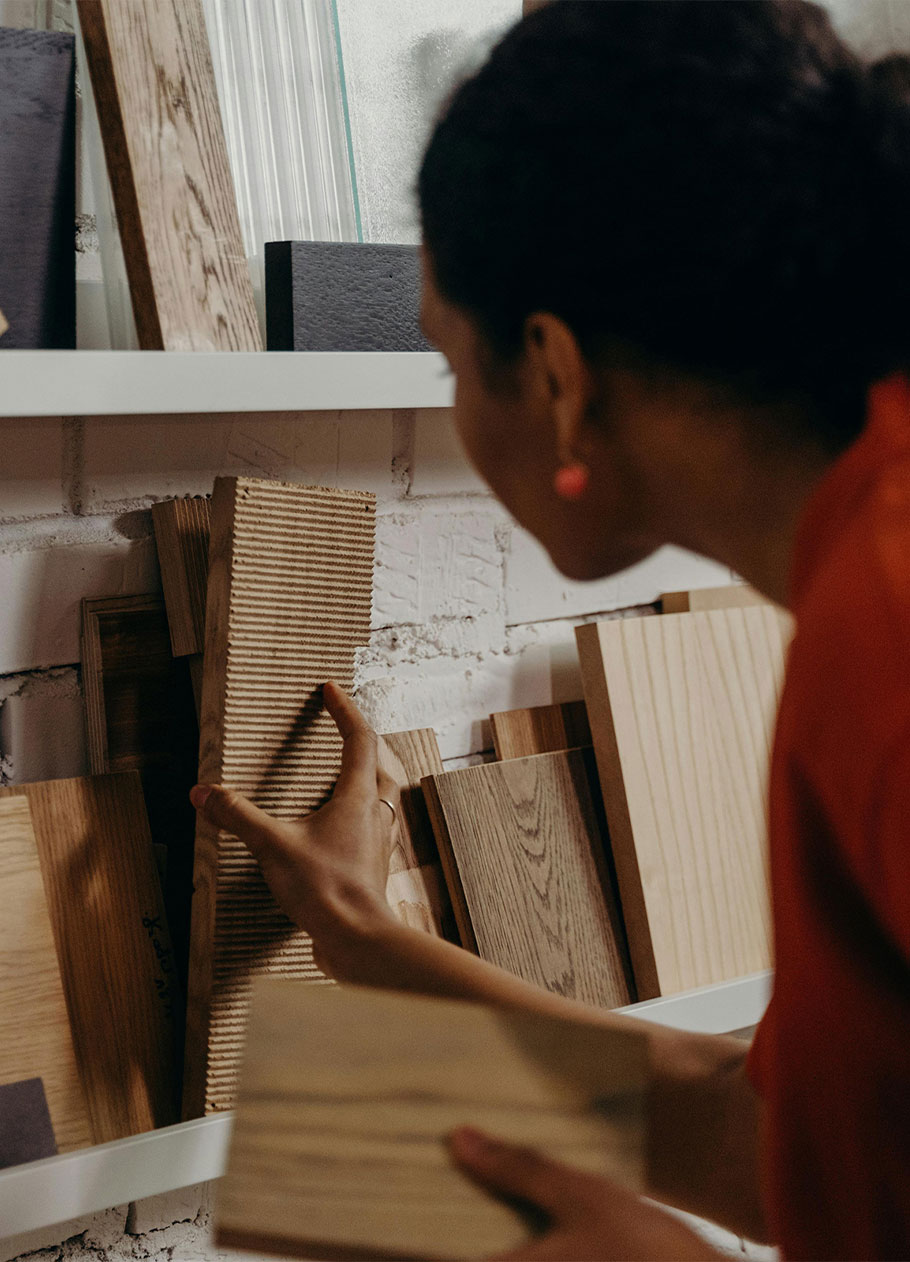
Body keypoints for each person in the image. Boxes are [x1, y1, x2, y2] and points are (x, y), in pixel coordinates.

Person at [190, 3, 910, 1257]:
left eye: (447, 368)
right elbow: (795, 1136)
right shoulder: (865, 560)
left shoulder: (887, 637)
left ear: (560, 378)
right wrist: (366, 943)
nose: (455, 409)